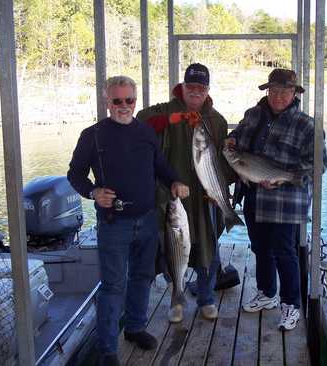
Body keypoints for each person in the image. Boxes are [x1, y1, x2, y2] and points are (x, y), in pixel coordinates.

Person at [67, 76, 189, 366]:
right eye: (117, 101)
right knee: (112, 286)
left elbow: (160, 166)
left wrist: (175, 182)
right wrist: (93, 192)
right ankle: (107, 348)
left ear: (136, 101)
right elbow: (75, 174)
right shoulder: (92, 135)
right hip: (113, 223)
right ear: (107, 102)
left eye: (129, 100)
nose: (124, 106)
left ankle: (135, 327)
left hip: (148, 220)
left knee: (142, 277)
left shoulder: (146, 132)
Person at [225, 68, 327, 331]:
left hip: (287, 202)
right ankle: (267, 293)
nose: (279, 96)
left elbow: (319, 164)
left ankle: (291, 305)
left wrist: (285, 178)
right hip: (254, 196)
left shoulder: (307, 125)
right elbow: (240, 139)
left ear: (295, 93)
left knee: (285, 252)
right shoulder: (253, 114)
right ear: (267, 91)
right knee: (260, 248)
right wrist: (233, 139)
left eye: (286, 91)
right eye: (275, 90)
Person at [136, 63, 235, 323]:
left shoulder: (217, 121)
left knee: (208, 249)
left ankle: (207, 298)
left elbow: (222, 164)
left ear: (207, 90)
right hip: (171, 196)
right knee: (173, 247)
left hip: (206, 198)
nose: (195, 92)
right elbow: (140, 122)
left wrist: (222, 191)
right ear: (182, 87)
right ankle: (176, 298)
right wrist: (175, 119)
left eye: (201, 88)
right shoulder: (164, 111)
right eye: (191, 86)